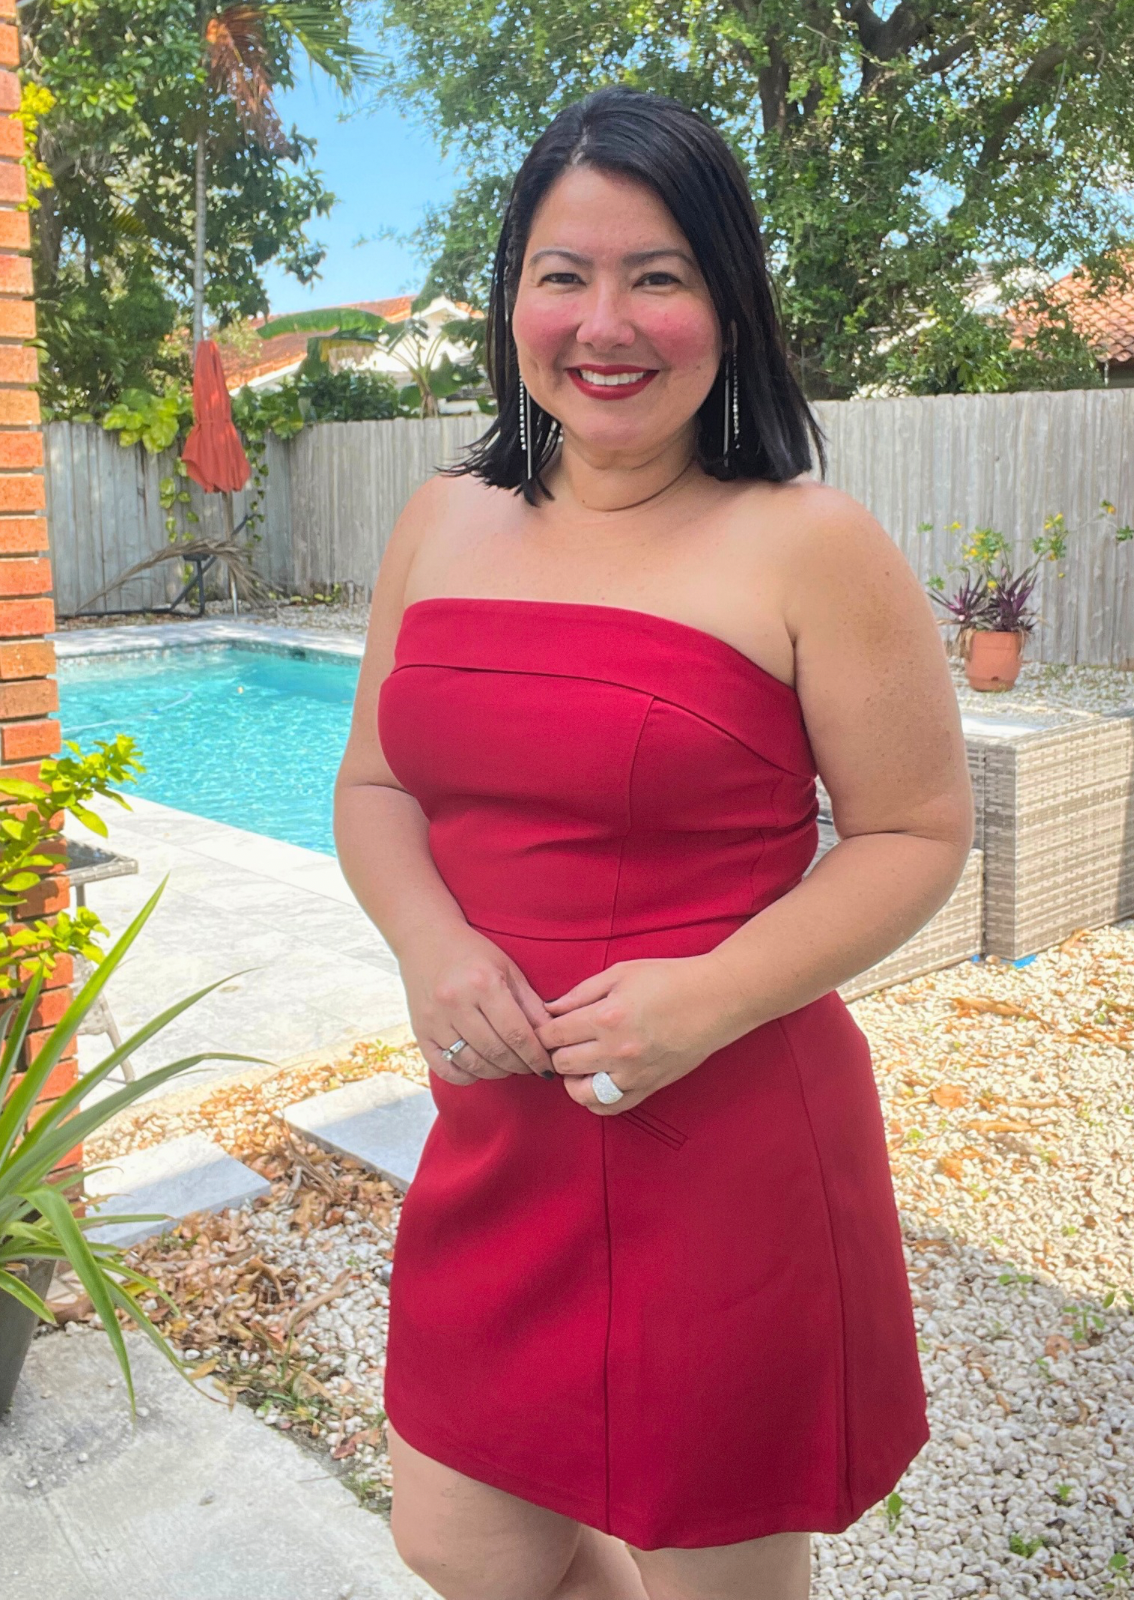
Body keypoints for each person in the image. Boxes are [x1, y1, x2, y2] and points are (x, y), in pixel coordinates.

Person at [334, 85, 974, 1600]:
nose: (603, 321)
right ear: (511, 303)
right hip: (497, 1131)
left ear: (729, 305)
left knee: (711, 1569)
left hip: (722, 1135)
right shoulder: (439, 518)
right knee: (464, 1541)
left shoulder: (811, 541)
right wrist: (430, 944)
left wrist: (710, 996)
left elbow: (916, 831)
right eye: (564, 273)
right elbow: (374, 787)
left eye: (659, 275)